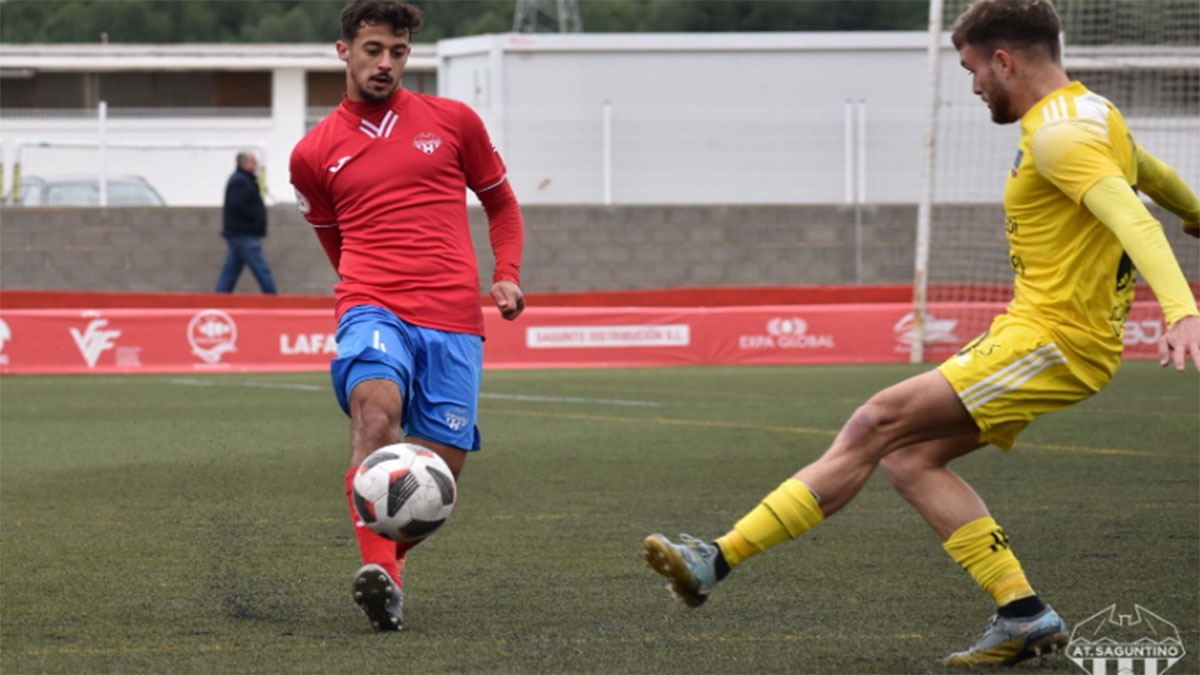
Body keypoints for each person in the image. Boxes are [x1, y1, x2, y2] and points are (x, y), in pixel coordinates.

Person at [643, 0, 1200, 666]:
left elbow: (1135, 221)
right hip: (1048, 336)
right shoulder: (1094, 112)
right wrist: (1197, 214)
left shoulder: (1059, 136)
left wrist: (1181, 309)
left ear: (1004, 60)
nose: (972, 88)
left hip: (1053, 340)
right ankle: (1023, 611)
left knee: (873, 420)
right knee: (909, 456)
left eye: (972, 70)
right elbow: (1150, 173)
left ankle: (718, 559)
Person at [288, 0, 525, 632]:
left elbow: (501, 203)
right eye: (372, 50)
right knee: (375, 415)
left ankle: (385, 572)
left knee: (437, 481)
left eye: (398, 52)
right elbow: (334, 243)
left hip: (453, 317)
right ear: (345, 51)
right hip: (372, 305)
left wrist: (506, 274)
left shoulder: (453, 121)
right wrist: (366, 291)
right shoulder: (312, 154)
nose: (385, 63)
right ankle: (380, 572)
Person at [216, 151, 278, 294]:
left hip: (240, 233)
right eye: (253, 162)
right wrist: (255, 218)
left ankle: (220, 298)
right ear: (244, 163)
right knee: (261, 268)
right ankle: (273, 298)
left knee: (231, 270)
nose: (256, 166)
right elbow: (237, 205)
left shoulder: (245, 180)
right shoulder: (240, 181)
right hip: (244, 233)